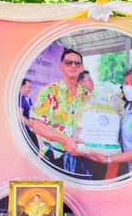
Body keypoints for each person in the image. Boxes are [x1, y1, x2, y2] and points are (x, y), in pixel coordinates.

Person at [28, 48, 93, 178]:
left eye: (77, 63)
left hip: (81, 156)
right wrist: (65, 140)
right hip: (54, 158)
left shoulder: (87, 95)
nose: (73, 66)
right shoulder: (50, 91)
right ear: (61, 66)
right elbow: (38, 125)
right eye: (69, 62)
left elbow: (90, 123)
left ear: (82, 68)